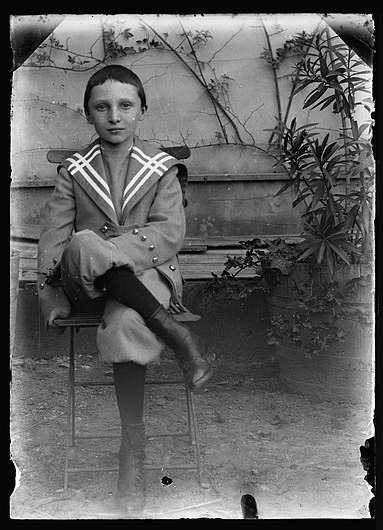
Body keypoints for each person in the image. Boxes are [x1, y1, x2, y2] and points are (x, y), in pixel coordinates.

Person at [37, 64, 215, 514]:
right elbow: (55, 238)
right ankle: (179, 337)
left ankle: (130, 459)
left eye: (125, 106)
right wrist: (51, 292)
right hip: (85, 282)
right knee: (82, 242)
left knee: (123, 322)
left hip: (149, 277)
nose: (114, 116)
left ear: (141, 112)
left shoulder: (160, 169)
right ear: (88, 115)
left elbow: (170, 234)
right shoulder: (74, 171)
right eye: (102, 107)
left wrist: (115, 248)